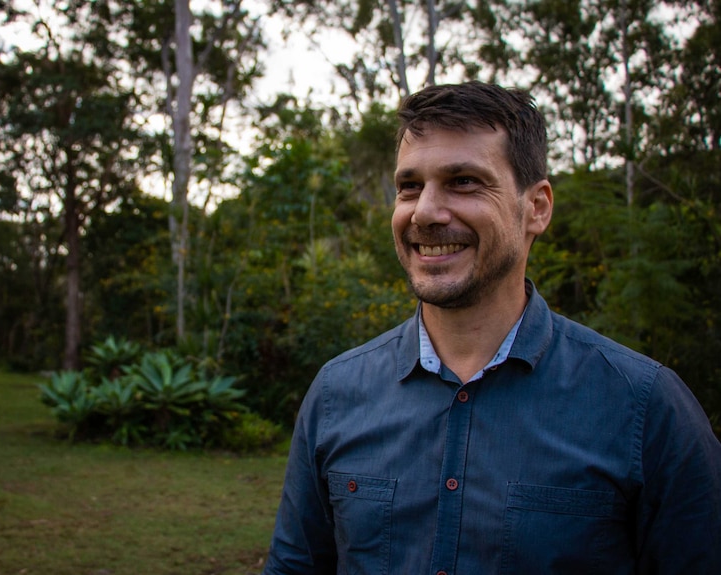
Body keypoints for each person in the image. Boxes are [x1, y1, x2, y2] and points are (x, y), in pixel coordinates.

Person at [262, 81, 721, 574]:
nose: (425, 213)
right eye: (410, 186)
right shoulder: (337, 392)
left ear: (537, 207)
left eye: (463, 181)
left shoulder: (644, 407)